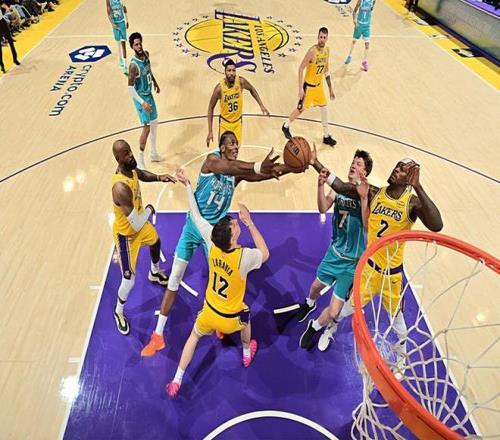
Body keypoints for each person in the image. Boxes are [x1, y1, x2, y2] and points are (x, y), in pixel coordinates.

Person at [140, 130, 307, 357]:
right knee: (175, 278)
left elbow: (263, 174)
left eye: (237, 143)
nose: (235, 146)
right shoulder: (212, 162)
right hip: (194, 227)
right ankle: (158, 335)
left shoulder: (234, 174)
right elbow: (233, 167)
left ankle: (217, 320)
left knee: (220, 277)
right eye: (231, 143)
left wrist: (291, 167)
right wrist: (258, 165)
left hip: (215, 235)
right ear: (221, 147)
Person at [310, 149, 443, 368]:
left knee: (398, 321)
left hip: (392, 275)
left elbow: (437, 225)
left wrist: (418, 186)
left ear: (409, 178)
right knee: (347, 308)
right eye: (397, 166)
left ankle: (401, 355)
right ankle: (330, 328)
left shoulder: (412, 203)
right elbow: (341, 187)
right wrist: (315, 163)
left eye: (403, 170)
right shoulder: (374, 192)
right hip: (370, 269)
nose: (396, 170)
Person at [165, 169, 269, 398]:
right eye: (234, 225)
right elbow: (265, 253)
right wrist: (249, 223)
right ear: (232, 238)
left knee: (193, 337)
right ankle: (246, 351)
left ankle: (176, 380)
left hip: (209, 312)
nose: (235, 222)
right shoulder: (244, 257)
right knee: (246, 315)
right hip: (231, 320)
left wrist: (188, 185)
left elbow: (195, 215)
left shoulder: (212, 243)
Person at [297, 150, 373, 351]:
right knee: (314, 287)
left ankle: (314, 326)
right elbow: (323, 208)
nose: (353, 165)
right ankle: (309, 303)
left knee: (333, 312)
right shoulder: (339, 189)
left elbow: (367, 226)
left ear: (365, 173)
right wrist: (320, 186)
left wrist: (364, 199)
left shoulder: (367, 195)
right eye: (353, 162)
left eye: (358, 164)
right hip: (334, 255)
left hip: (351, 265)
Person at [111, 139, 177, 336]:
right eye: (126, 154)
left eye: (130, 151)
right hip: (127, 235)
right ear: (118, 159)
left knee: (155, 242)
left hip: (139, 223)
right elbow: (137, 224)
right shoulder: (120, 188)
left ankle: (154, 272)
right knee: (128, 280)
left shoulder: (130, 169)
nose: (131, 155)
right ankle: (118, 311)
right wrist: (148, 209)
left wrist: (159, 177)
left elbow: (140, 174)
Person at [281, 27, 336, 147]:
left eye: (324, 37)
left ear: (327, 38)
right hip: (309, 87)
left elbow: (326, 70)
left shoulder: (327, 51)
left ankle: (326, 136)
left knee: (324, 108)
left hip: (319, 86)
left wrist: (330, 89)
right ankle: (286, 125)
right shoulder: (312, 51)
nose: (322, 39)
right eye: (320, 37)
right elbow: (301, 68)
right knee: (300, 109)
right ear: (317, 37)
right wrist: (300, 88)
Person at [206, 58, 270, 148]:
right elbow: (211, 107)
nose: (231, 73)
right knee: (224, 151)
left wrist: (261, 105)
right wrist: (210, 131)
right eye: (229, 70)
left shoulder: (240, 82)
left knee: (235, 151)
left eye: (233, 70)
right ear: (225, 72)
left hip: (237, 124)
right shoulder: (219, 88)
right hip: (225, 124)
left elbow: (252, 89)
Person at [128, 32, 163, 170]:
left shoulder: (146, 55)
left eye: (140, 43)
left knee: (155, 122)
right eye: (136, 44)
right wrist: (142, 103)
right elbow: (130, 88)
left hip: (149, 95)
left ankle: (153, 153)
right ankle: (140, 159)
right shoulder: (133, 66)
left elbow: (149, 71)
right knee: (147, 127)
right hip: (140, 97)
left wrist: (155, 83)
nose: (139, 46)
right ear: (132, 47)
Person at [344, 0, 376, 71]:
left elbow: (372, 8)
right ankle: (349, 56)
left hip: (367, 26)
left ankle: (364, 61)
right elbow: (354, 12)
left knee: (367, 44)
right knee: (354, 41)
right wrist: (354, 21)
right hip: (359, 25)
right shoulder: (360, 1)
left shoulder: (372, 1)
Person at [106, 0, 128, 74]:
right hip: (115, 24)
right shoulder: (108, 1)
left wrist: (127, 20)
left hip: (122, 22)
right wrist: (112, 23)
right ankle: (120, 59)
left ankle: (125, 64)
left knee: (123, 44)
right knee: (118, 43)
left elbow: (124, 8)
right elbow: (108, 12)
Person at [0, 7, 19, 73]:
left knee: (11, 41)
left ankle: (15, 59)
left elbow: (4, 7)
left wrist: (7, 8)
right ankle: (2, 65)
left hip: (2, 22)